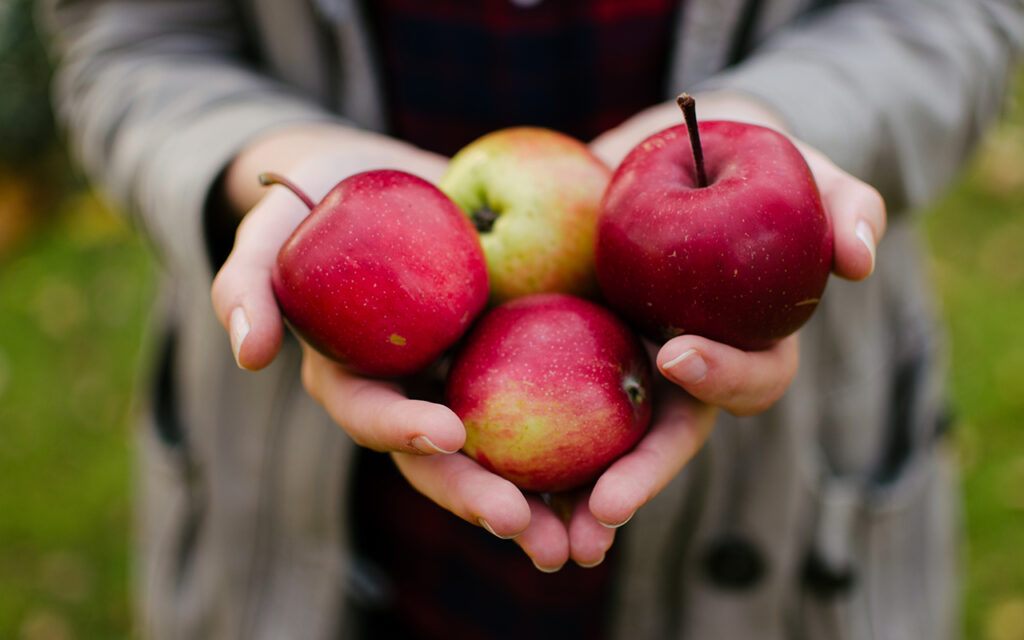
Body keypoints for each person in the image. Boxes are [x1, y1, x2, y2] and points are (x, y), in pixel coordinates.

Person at [42, 1, 1022, 638]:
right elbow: (130, 39)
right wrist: (259, 157)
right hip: (316, 517)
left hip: (783, 505)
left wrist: (770, 118)